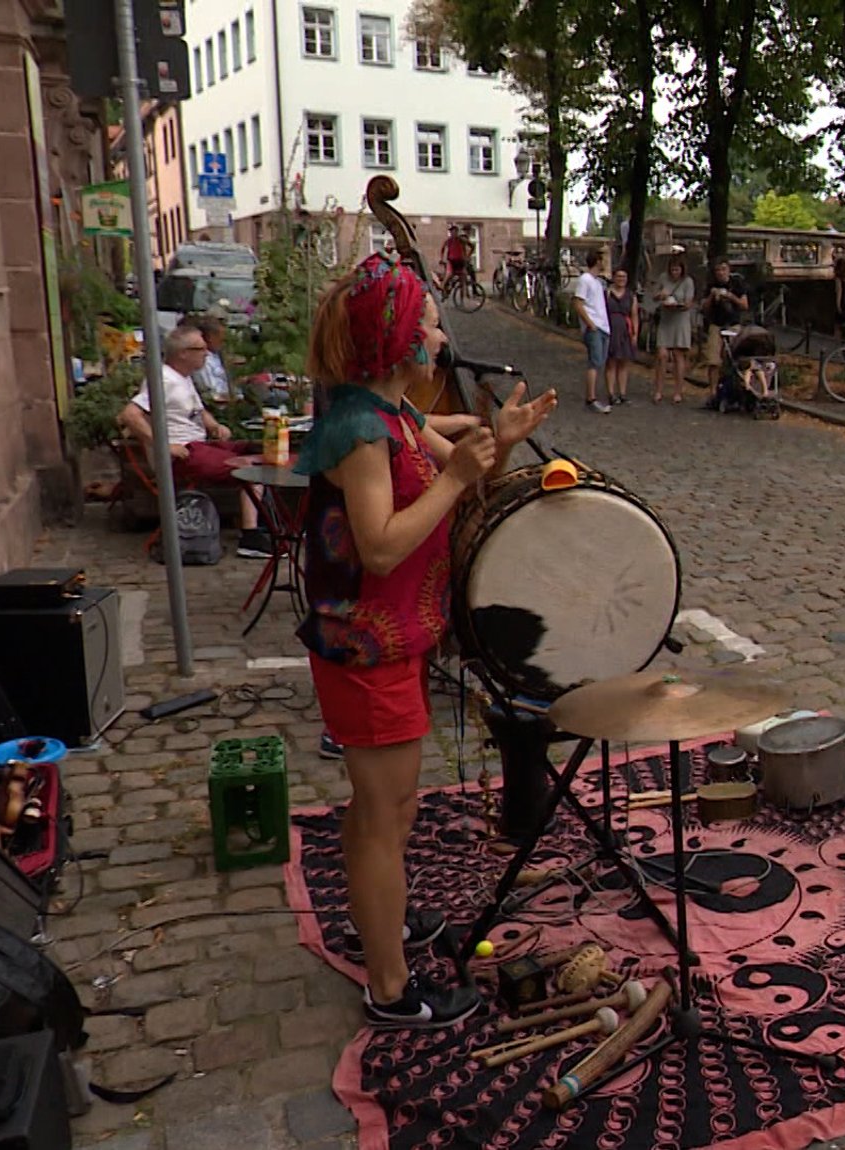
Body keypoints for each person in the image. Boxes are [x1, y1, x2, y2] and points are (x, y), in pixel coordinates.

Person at [293, 253, 557, 1029]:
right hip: (364, 648)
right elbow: (378, 546)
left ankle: (382, 922)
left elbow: (466, 475)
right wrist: (454, 476)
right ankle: (389, 987)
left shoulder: (394, 413)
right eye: (433, 325)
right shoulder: (358, 429)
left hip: (397, 641)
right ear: (404, 342)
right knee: (383, 812)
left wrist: (497, 440)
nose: (443, 337)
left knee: (392, 807)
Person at [117, 324, 266, 558]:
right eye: (201, 348)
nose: (207, 353)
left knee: (259, 450)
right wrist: (164, 446)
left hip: (201, 445)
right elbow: (130, 415)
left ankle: (264, 525)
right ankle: (251, 536)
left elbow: (198, 410)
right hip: (184, 454)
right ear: (183, 353)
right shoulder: (164, 380)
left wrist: (214, 425)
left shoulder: (183, 378)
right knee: (250, 467)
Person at [572, 249, 612, 413]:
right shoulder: (585, 280)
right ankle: (591, 398)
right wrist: (590, 324)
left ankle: (593, 395)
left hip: (602, 326)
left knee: (599, 362)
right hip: (594, 326)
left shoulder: (597, 281)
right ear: (597, 261)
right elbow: (578, 303)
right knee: (594, 362)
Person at [651, 253, 694, 404]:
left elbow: (689, 303)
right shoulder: (663, 278)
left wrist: (678, 305)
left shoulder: (688, 282)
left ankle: (678, 391)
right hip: (666, 320)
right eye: (673, 270)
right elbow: (654, 295)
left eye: (677, 270)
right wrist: (661, 296)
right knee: (662, 355)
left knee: (678, 355)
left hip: (680, 320)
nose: (675, 272)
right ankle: (658, 390)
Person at [698, 258, 749, 382]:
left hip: (733, 324)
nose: (721, 273)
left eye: (723, 269)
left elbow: (744, 305)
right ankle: (713, 392)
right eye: (718, 270)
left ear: (729, 270)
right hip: (716, 324)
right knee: (713, 361)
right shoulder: (711, 284)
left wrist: (730, 297)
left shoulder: (737, 283)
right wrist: (711, 296)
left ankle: (732, 386)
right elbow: (703, 307)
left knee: (733, 359)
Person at [605, 267, 638, 406]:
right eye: (618, 276)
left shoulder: (631, 296)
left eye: (623, 277)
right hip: (611, 328)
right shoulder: (607, 294)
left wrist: (635, 333)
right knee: (611, 362)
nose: (621, 279)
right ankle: (611, 393)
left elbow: (634, 315)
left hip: (625, 329)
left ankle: (623, 393)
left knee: (624, 362)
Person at [190, 314, 233, 402]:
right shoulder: (203, 361)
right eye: (221, 340)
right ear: (210, 337)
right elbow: (211, 393)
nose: (223, 344)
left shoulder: (218, 356)